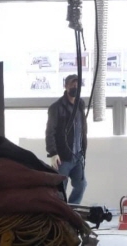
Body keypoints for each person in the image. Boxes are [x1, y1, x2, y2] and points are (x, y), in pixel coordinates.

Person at [45, 74, 88, 204]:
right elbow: (50, 131)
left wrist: (83, 151)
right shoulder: (56, 107)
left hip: (77, 156)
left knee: (81, 185)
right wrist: (53, 153)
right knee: (59, 189)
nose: (75, 87)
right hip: (63, 158)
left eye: (77, 85)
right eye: (72, 85)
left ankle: (72, 209)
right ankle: (60, 212)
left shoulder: (80, 104)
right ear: (66, 86)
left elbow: (82, 129)